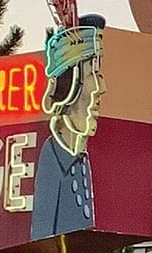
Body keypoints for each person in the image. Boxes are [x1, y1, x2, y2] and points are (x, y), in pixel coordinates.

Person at [30, 15, 105, 240]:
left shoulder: (81, 159)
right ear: (67, 87)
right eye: (93, 74)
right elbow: (42, 239)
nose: (102, 88)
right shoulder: (52, 161)